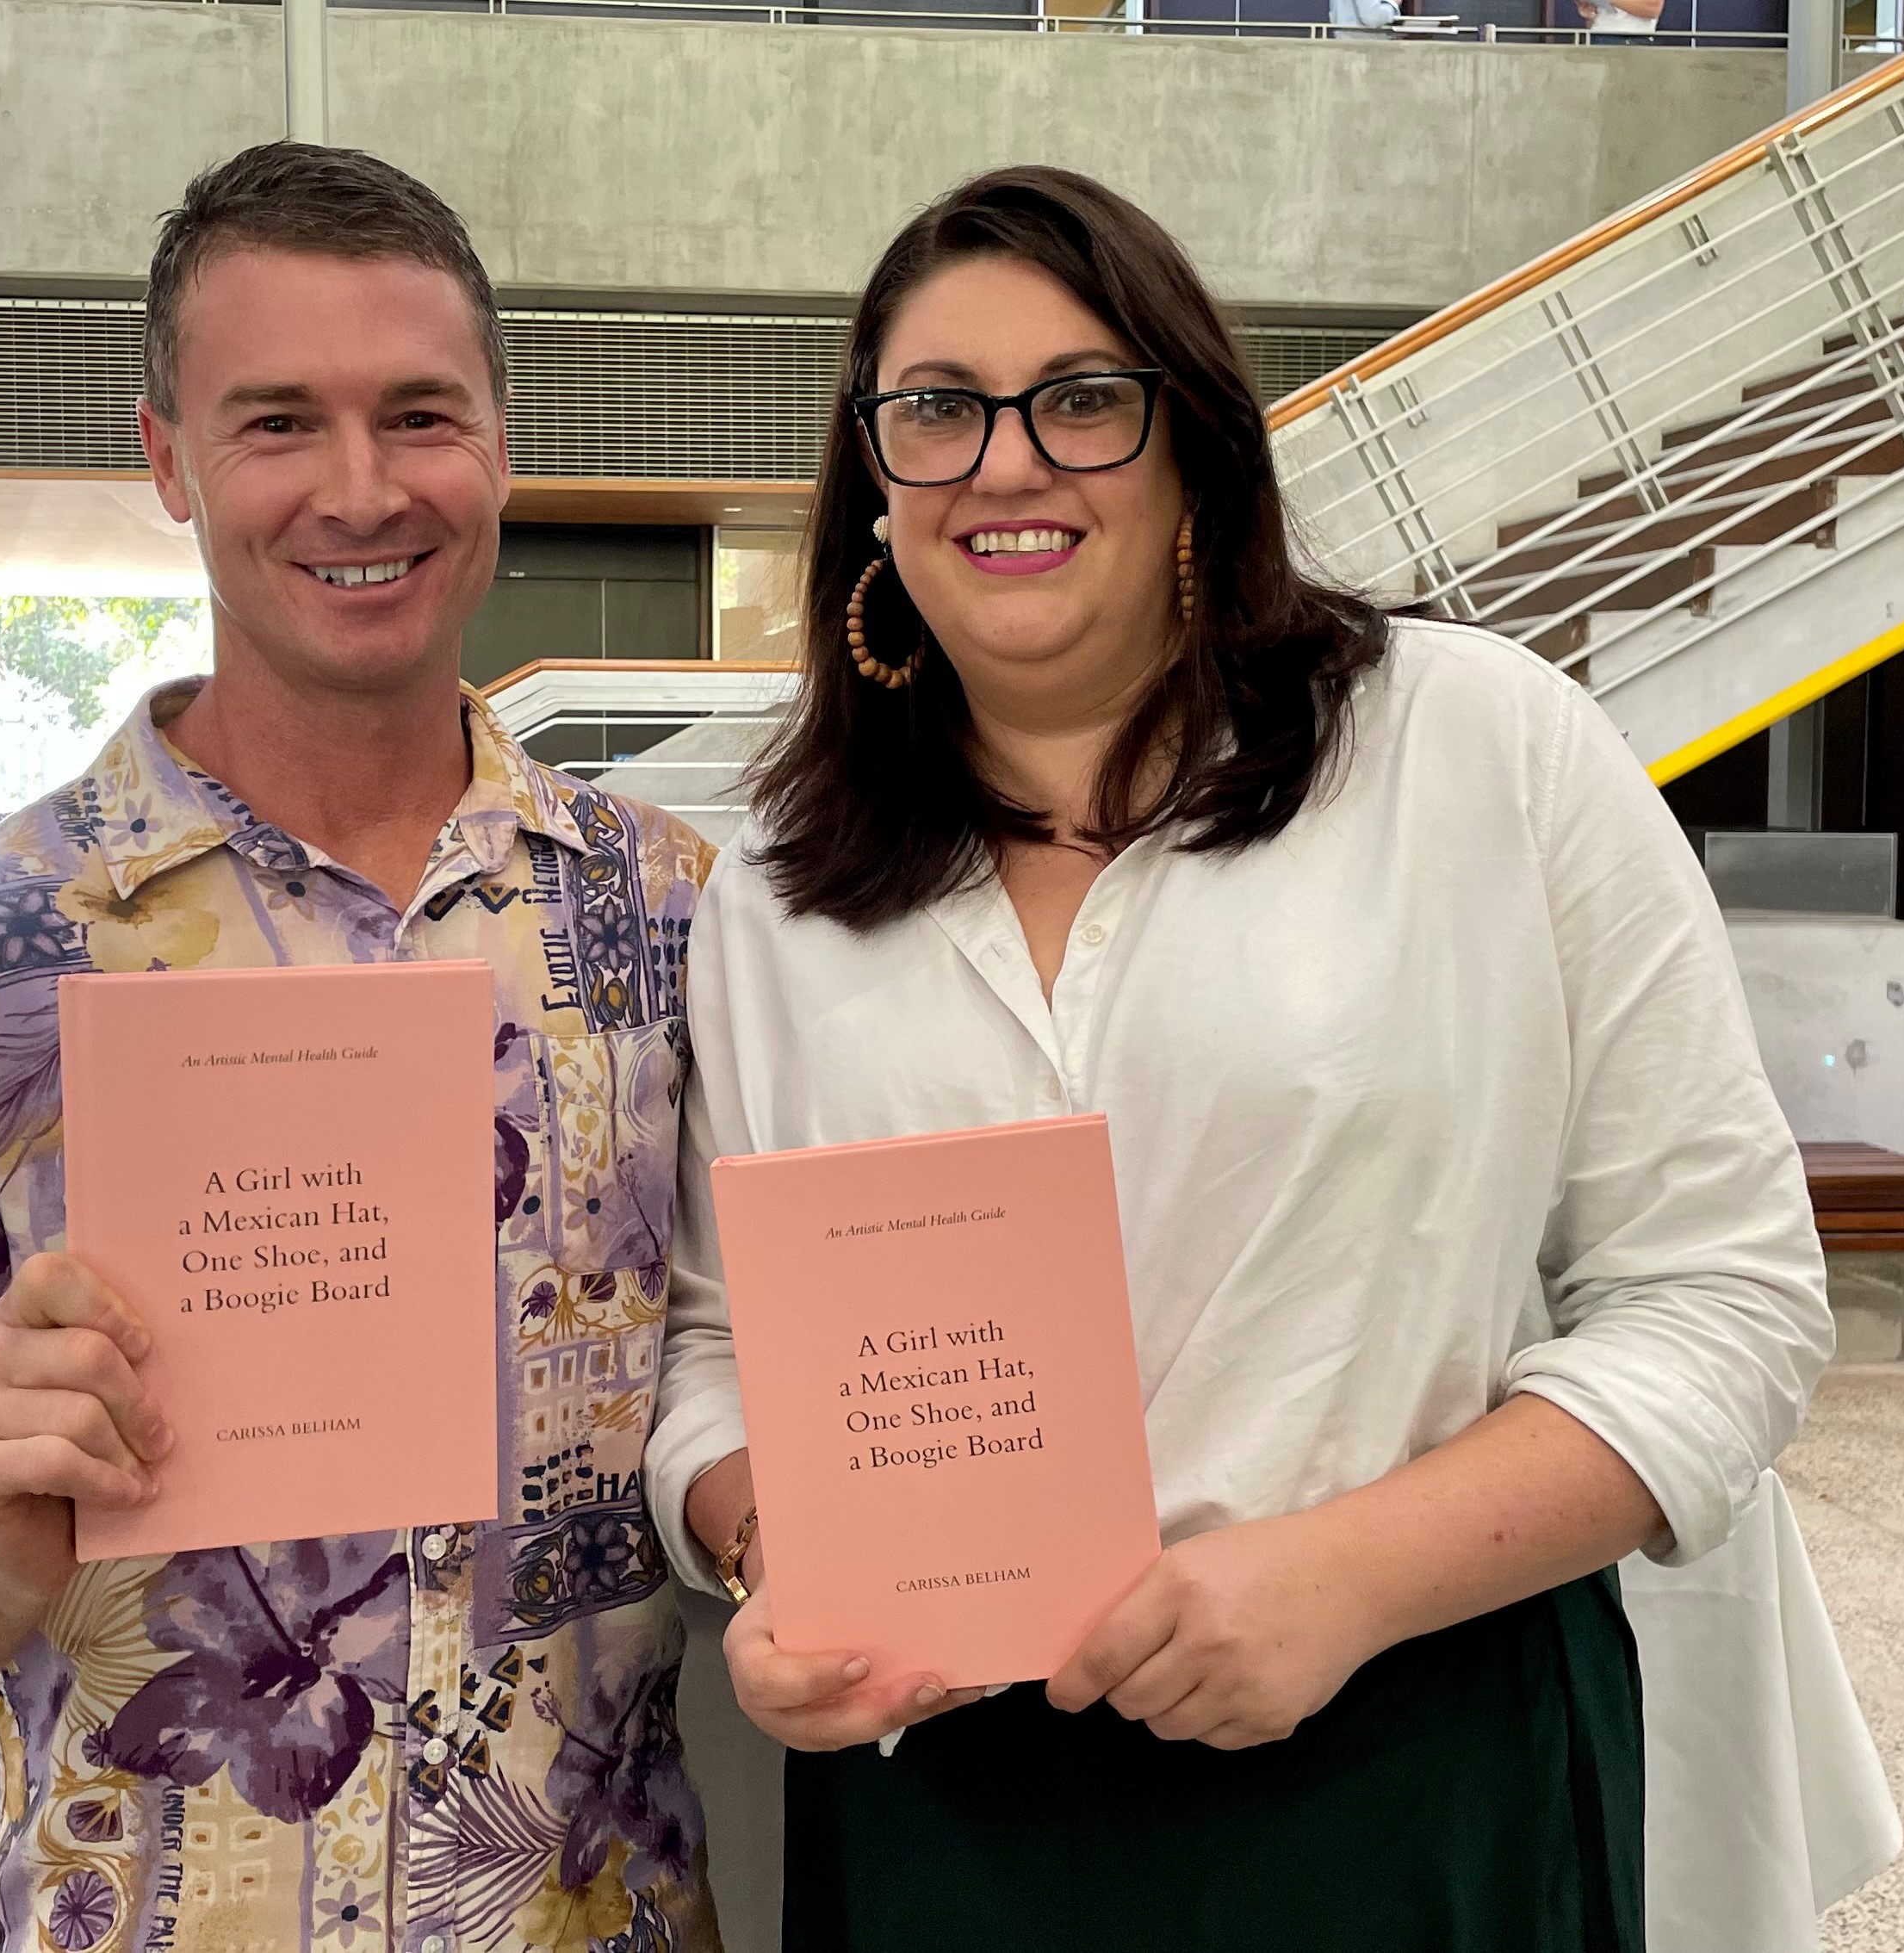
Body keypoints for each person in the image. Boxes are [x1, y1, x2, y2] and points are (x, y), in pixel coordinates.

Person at [642, 166, 1832, 1949]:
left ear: (1194, 447)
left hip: (1409, 1753)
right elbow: (720, 1343)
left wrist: (1344, 1579)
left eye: (1084, 401)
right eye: (939, 412)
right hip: (950, 1813)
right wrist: (767, 1551)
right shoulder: (782, 889)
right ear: (871, 489)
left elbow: (1726, 1300)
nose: (1008, 463)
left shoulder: (1477, 754)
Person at [0, 144, 722, 1953]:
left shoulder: (670, 924)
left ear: (501, 442)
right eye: (277, 423)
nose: (361, 490)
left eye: (420, 415)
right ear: (168, 459)